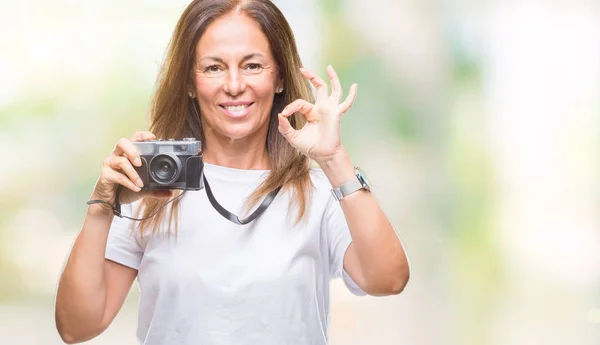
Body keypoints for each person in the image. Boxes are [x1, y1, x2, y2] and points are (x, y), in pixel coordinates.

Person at [55, 0, 410, 344]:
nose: (235, 84)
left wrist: (334, 159)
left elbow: (388, 280)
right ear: (190, 83)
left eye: (253, 66)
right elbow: (77, 327)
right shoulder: (149, 187)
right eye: (213, 67)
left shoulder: (320, 191)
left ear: (280, 78)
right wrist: (102, 207)